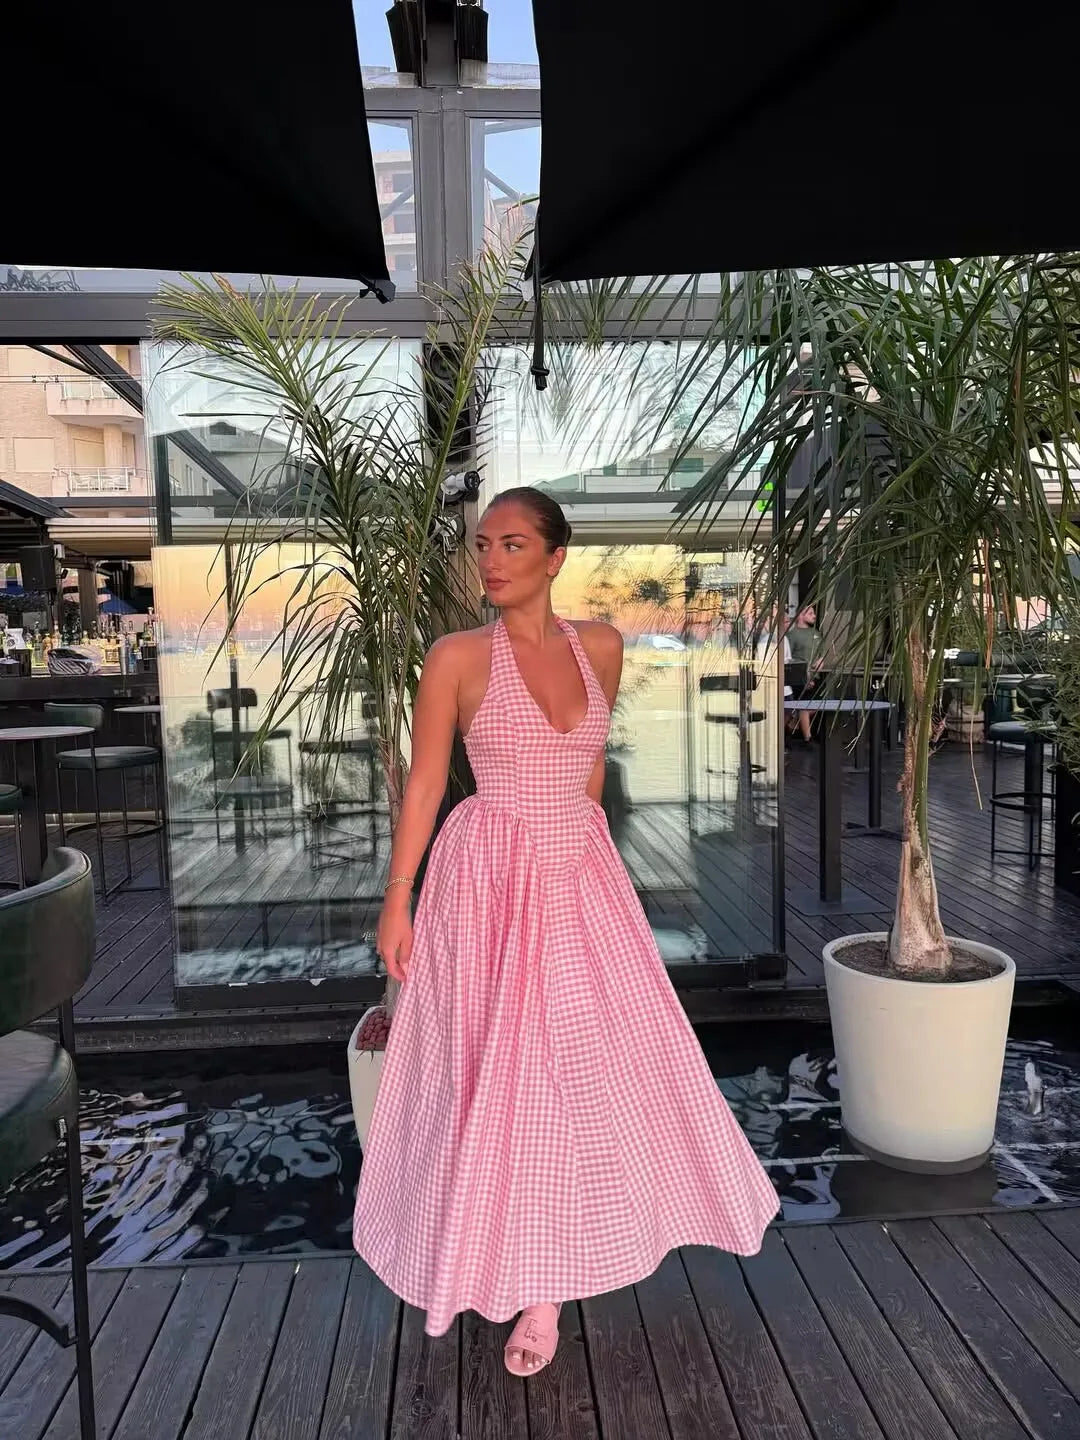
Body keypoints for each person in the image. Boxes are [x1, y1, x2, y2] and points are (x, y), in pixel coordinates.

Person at [353, 486, 779, 1376]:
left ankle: (546, 1283)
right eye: (483, 545)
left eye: (512, 544)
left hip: (577, 875)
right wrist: (398, 897)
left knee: (581, 1073)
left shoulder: (602, 648)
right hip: (487, 880)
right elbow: (427, 783)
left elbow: (586, 774)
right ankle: (494, 1259)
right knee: (495, 1078)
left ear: (555, 558)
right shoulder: (457, 657)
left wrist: (599, 877)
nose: (491, 560)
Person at [785, 604, 820, 743]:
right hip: (800, 678)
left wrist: (822, 660)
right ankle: (808, 738)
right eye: (810, 613)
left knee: (816, 706)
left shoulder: (816, 633)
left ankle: (794, 722)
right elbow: (789, 658)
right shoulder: (792, 635)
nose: (814, 616)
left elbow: (822, 651)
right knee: (804, 706)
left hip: (816, 676)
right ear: (800, 615)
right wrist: (804, 676)